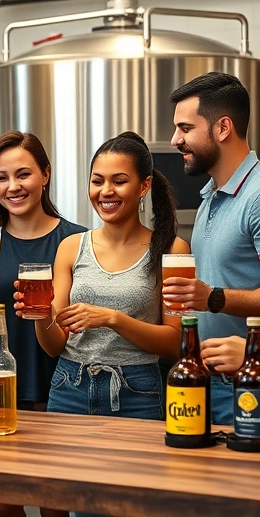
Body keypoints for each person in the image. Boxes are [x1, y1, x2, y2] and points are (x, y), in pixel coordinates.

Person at [19, 131, 189, 426]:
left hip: (138, 391)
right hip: (69, 386)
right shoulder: (71, 247)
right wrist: (41, 313)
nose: (106, 191)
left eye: (119, 181)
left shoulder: (174, 249)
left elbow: (178, 343)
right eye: (97, 181)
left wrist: (112, 318)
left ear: (143, 185)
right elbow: (55, 345)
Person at [0, 131, 82, 517]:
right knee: (3, 507)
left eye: (23, 174)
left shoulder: (75, 239)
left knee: (55, 507)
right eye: (1, 177)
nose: (12, 187)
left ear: (45, 174)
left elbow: (68, 327)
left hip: (56, 388)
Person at [162, 72, 260, 426]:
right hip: (213, 384)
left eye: (185, 128)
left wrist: (214, 297)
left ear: (223, 128)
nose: (175, 139)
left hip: (252, 387)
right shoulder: (211, 195)